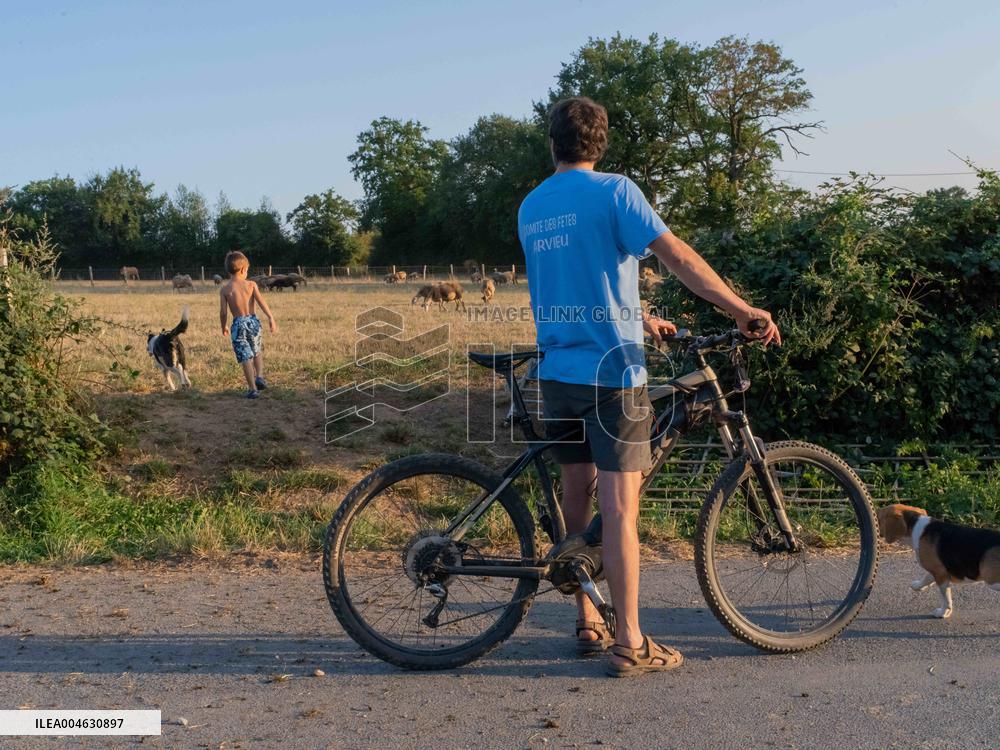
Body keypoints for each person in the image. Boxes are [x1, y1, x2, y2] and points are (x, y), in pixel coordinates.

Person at [518, 96, 781, 677]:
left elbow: (577, 286)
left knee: (576, 491)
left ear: (552, 143)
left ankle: (586, 617)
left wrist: (639, 318)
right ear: (600, 143)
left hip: (558, 371)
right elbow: (678, 257)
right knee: (619, 509)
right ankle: (630, 641)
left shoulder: (532, 206)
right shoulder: (616, 192)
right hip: (612, 376)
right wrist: (740, 308)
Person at [219, 251, 278, 399]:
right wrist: (270, 317)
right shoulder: (251, 285)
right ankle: (260, 376)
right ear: (243, 270)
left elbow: (223, 313)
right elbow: (261, 302)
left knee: (245, 357)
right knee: (256, 351)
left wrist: (223, 326)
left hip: (238, 324)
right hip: (253, 322)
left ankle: (252, 389)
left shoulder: (225, 290)